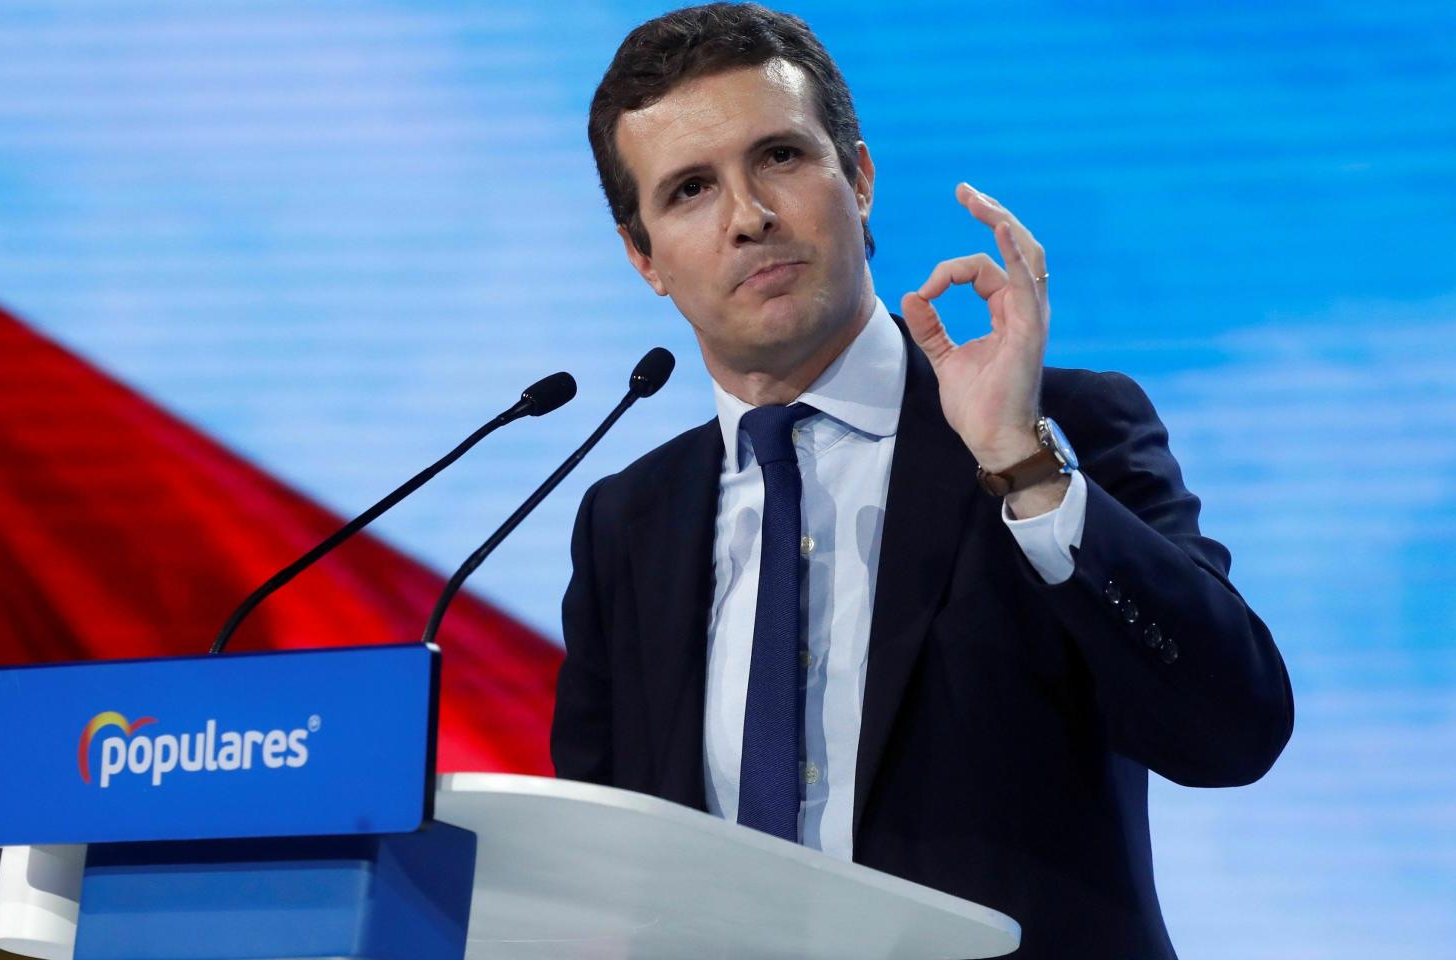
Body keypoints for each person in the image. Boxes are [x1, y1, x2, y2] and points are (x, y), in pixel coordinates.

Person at [549, 4, 1294, 957]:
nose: (749, 218)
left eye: (779, 157)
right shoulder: (628, 523)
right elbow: (601, 867)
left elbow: (1233, 733)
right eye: (690, 190)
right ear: (642, 256)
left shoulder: (1058, 431)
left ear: (857, 178)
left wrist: (1022, 468)